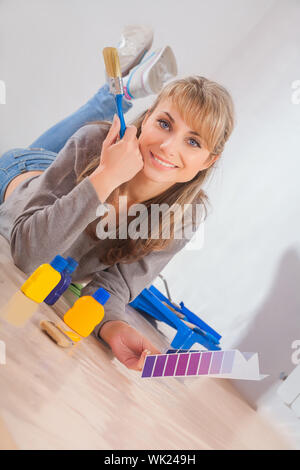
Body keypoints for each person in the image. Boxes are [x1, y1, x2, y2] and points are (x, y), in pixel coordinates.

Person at [0, 26, 235, 371]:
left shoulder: (185, 215)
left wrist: (112, 326)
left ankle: (125, 88)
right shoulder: (94, 143)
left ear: (209, 160)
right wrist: (106, 177)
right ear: (149, 117)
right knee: (94, 134)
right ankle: (120, 92)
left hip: (69, 176)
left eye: (194, 142)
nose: (169, 148)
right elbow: (28, 254)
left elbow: (118, 283)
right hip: (19, 176)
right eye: (165, 124)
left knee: (93, 137)